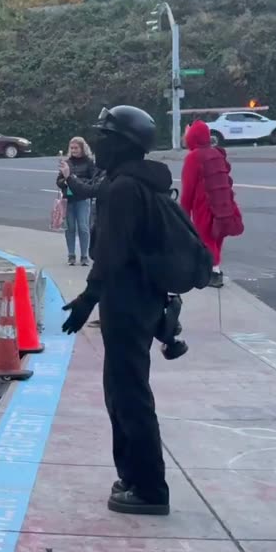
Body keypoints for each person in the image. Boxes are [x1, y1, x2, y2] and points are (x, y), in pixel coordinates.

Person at [61, 105, 173, 516]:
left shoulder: (123, 190)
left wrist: (88, 298)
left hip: (126, 303)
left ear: (125, 145)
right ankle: (132, 475)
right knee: (122, 392)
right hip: (138, 300)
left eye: (107, 138)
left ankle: (149, 488)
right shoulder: (136, 183)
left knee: (129, 396)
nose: (100, 145)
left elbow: (111, 253)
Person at [179, 120, 243, 288]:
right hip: (223, 204)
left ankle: (213, 274)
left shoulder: (193, 157)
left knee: (205, 238)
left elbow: (188, 189)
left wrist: (183, 215)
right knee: (217, 238)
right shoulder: (217, 153)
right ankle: (216, 270)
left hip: (205, 205)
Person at [56, 136, 99, 266]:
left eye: (76, 148)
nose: (74, 150)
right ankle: (71, 255)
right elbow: (59, 181)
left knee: (83, 227)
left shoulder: (89, 162)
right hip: (68, 199)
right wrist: (65, 182)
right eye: (72, 148)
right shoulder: (67, 163)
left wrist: (75, 180)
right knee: (70, 228)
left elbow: (93, 180)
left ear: (82, 148)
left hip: (82, 198)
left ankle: (84, 256)